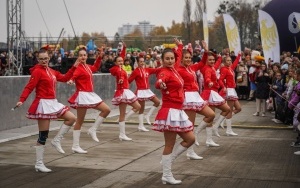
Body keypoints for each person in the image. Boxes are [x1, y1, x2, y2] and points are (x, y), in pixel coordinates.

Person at [15, 48, 78, 173]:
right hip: (43, 104)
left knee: (71, 118)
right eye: (41, 59)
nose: (44, 61)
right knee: (43, 135)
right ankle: (39, 163)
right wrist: (21, 99)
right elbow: (29, 87)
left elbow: (65, 78)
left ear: (49, 58)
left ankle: (56, 140)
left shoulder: (52, 71)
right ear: (38, 59)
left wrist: (74, 67)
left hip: (53, 102)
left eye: (46, 58)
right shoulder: (37, 72)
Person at [153, 41, 195, 185]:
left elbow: (178, 55)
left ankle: (168, 161)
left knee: (190, 139)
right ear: (162, 60)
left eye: (172, 58)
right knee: (169, 145)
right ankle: (166, 174)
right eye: (167, 59)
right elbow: (159, 80)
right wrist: (161, 84)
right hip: (170, 111)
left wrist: (180, 46)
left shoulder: (175, 69)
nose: (170, 61)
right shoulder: (165, 71)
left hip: (178, 110)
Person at [176, 41, 216, 159]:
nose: (188, 59)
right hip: (188, 97)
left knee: (211, 115)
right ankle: (190, 152)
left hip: (196, 96)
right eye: (186, 58)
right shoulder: (179, 69)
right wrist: (179, 47)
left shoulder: (192, 68)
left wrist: (206, 50)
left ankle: (197, 134)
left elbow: (203, 62)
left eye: (189, 57)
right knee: (190, 126)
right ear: (181, 59)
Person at [67, 47, 111, 154]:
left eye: (84, 55)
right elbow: (74, 75)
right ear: (78, 57)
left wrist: (99, 57)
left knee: (106, 110)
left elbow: (95, 67)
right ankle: (75, 146)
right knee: (80, 121)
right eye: (81, 55)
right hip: (82, 95)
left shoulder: (87, 67)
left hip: (90, 94)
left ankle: (93, 129)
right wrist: (71, 80)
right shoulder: (78, 68)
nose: (83, 57)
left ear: (87, 56)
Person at [110, 41, 141, 141]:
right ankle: (122, 134)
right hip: (121, 92)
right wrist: (120, 79)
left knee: (137, 106)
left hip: (126, 91)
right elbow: (115, 73)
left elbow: (122, 56)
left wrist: (124, 47)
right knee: (122, 113)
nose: (121, 62)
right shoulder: (116, 69)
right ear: (115, 63)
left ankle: (124, 122)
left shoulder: (121, 68)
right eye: (118, 61)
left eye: (121, 61)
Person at [200, 52, 231, 138]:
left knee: (225, 110)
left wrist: (219, 58)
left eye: (213, 59)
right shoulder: (207, 69)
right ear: (206, 61)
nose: (212, 61)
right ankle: (203, 136)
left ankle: (215, 127)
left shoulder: (212, 67)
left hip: (214, 93)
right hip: (209, 93)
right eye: (210, 60)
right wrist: (209, 82)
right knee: (211, 116)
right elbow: (207, 77)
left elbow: (216, 65)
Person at [128, 56, 160, 131]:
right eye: (140, 61)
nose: (142, 63)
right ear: (138, 62)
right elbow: (129, 80)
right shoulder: (135, 71)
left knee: (157, 102)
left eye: (143, 61)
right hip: (141, 91)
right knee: (141, 109)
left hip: (147, 90)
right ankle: (140, 125)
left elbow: (156, 70)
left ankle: (147, 116)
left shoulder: (147, 70)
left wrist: (164, 67)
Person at [218, 52, 242, 136]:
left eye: (230, 60)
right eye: (227, 60)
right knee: (230, 110)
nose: (229, 62)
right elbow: (220, 79)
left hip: (232, 90)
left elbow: (235, 64)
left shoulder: (230, 68)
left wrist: (238, 56)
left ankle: (223, 120)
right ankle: (228, 130)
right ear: (224, 62)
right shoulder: (224, 69)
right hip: (229, 90)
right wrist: (223, 87)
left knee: (238, 108)